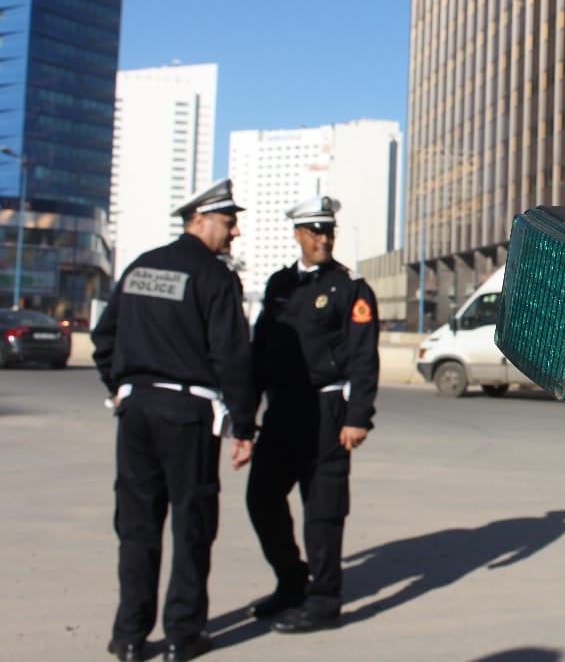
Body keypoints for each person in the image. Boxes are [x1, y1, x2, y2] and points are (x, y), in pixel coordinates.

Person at [92, 178, 256, 662]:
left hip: (136, 410)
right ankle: (183, 635)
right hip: (188, 415)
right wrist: (244, 426)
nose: (235, 233)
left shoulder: (141, 267)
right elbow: (233, 358)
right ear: (199, 220)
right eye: (229, 223)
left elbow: (105, 340)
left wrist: (121, 390)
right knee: (192, 524)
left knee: (137, 526)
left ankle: (128, 637)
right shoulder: (216, 277)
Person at [245, 195, 379, 633]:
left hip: (326, 410)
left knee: (322, 509)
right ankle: (291, 580)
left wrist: (357, 415)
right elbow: (260, 350)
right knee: (261, 497)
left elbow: (363, 357)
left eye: (328, 231)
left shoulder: (351, 289)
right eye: (315, 231)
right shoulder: (279, 285)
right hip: (283, 408)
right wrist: (245, 415)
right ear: (298, 234)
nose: (323, 238)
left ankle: (324, 601)